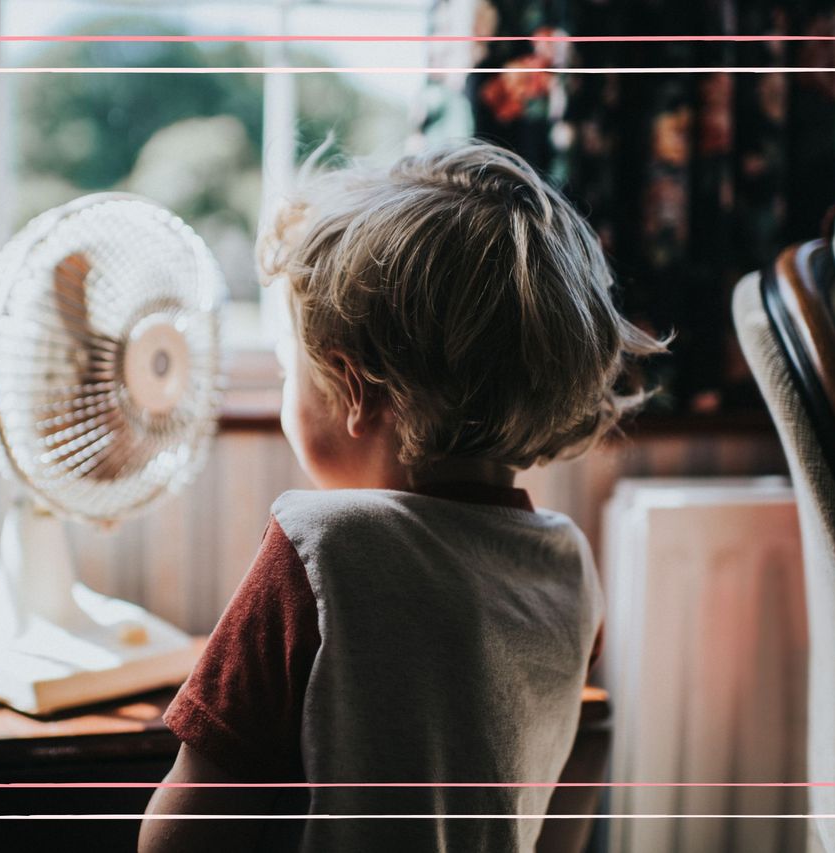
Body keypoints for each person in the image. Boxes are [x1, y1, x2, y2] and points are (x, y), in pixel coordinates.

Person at [138, 139, 667, 852]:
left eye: (293, 370)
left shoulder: (321, 548)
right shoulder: (566, 564)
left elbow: (178, 836)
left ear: (353, 390)